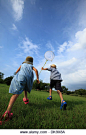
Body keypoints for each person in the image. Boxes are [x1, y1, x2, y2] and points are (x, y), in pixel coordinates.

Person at [0, 56, 40, 124]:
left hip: (20, 78)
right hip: (26, 79)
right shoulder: (31, 66)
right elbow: (36, 70)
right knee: (17, 93)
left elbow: (16, 71)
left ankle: (25, 98)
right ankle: (7, 114)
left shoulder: (22, 65)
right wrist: (37, 78)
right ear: (31, 62)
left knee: (22, 89)